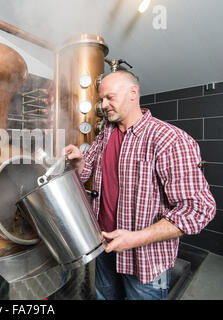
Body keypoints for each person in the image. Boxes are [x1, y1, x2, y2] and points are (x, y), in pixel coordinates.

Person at [64, 70, 216, 300]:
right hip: (103, 245)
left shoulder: (169, 140)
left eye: (110, 97)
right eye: (101, 99)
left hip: (145, 259)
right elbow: (85, 172)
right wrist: (78, 161)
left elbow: (198, 210)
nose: (103, 105)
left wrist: (135, 239)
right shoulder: (106, 133)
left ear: (133, 93)